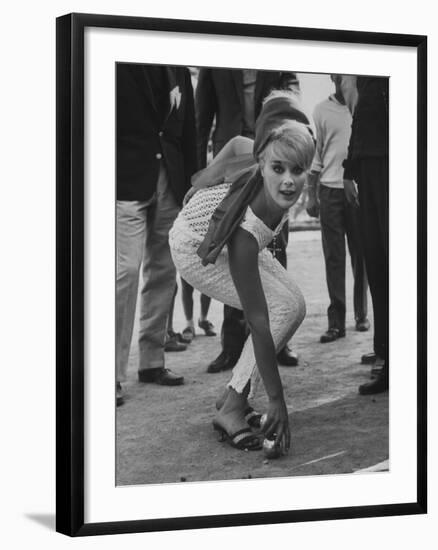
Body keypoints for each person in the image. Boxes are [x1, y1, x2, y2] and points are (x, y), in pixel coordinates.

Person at [169, 91, 315, 451]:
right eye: (278, 169)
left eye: (297, 171)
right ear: (262, 162)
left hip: (225, 234)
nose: (287, 180)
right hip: (193, 248)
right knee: (278, 310)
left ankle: (232, 395)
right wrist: (277, 399)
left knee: (295, 305)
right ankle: (232, 406)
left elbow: (235, 143)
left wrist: (203, 180)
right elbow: (258, 320)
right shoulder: (247, 231)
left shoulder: (271, 150)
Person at [195, 68, 301, 373]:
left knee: (276, 247)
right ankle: (232, 346)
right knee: (233, 247)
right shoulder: (215, 60)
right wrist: (203, 174)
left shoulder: (278, 51)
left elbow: (292, 96)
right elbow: (203, 118)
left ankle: (279, 340)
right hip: (232, 161)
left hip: (275, 157)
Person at [116, 63, 197, 406]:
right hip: (125, 179)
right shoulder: (114, 58)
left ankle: (151, 361)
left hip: (171, 181)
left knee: (164, 270)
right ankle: (108, 373)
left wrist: (191, 185)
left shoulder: (179, 66)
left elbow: (189, 130)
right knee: (126, 271)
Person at [306, 74, 369, 343]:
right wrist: (311, 195)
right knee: (334, 257)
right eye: (338, 72)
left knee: (361, 255)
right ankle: (336, 323)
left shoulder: (363, 106)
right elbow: (317, 154)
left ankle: (362, 315)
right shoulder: (321, 110)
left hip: (356, 190)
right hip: (329, 191)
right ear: (332, 77)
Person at [341, 75, 389, 395]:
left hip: (398, 162)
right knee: (377, 265)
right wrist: (349, 170)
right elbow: (362, 114)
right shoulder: (367, 66)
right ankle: (387, 359)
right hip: (368, 168)